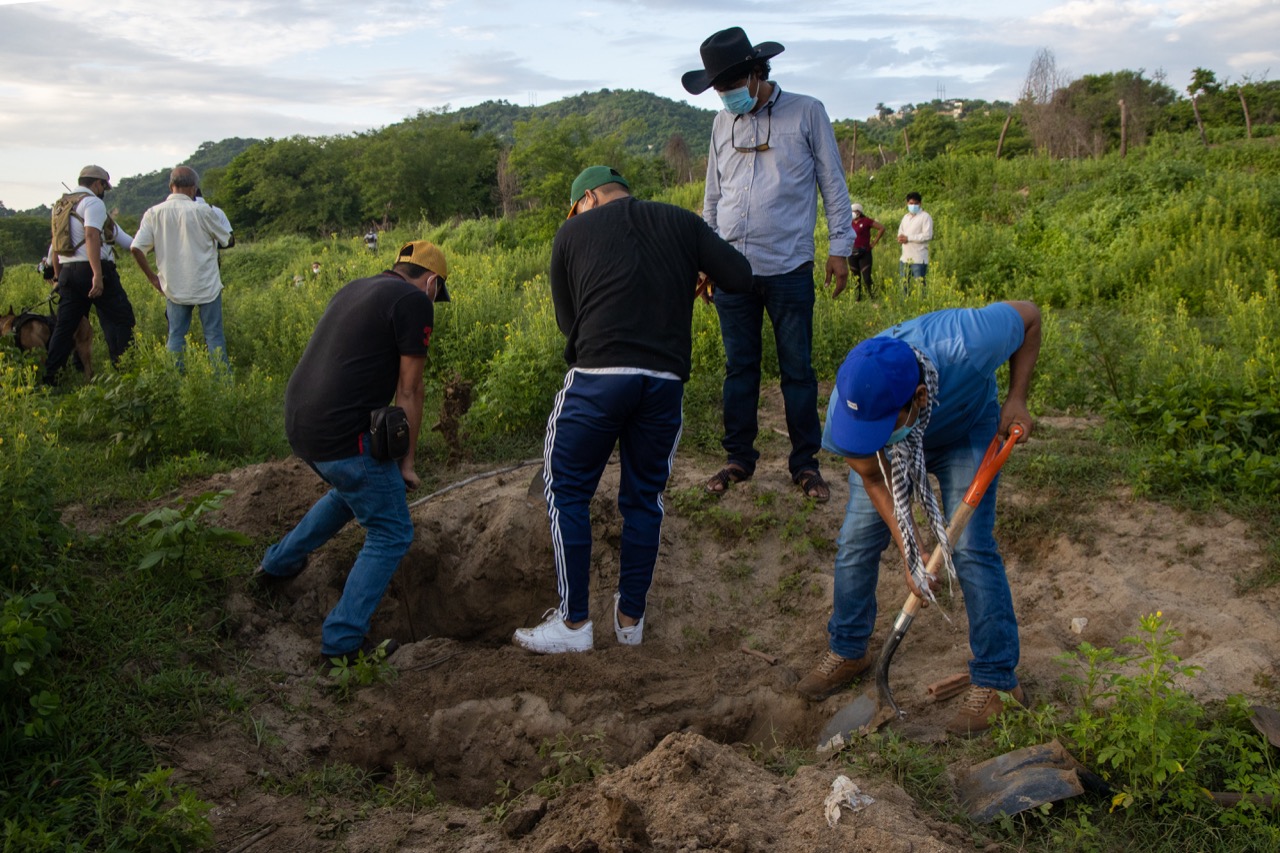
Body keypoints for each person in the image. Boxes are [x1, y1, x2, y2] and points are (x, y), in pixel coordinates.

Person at [512, 166, 752, 654]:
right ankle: (629, 622)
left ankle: (574, 624)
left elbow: (567, 322)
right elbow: (741, 276)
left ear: (590, 199)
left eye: (576, 206)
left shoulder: (572, 232)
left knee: (566, 490)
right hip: (663, 383)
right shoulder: (683, 222)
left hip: (598, 378)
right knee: (644, 499)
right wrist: (691, 276)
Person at [796, 301, 1041, 737]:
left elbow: (1031, 315)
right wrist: (911, 551)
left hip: (964, 429)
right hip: (893, 451)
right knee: (855, 541)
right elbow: (874, 476)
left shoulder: (968, 342)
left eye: (880, 425)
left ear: (919, 400)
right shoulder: (848, 412)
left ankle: (998, 682)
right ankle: (849, 649)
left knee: (970, 549)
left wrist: (1016, 397)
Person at [255, 241, 452, 663]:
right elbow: (410, 389)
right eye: (438, 291)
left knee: (349, 491)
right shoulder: (414, 301)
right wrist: (407, 462)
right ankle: (342, 644)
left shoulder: (356, 288)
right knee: (392, 531)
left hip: (301, 426)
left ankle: (276, 565)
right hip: (343, 436)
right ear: (431, 282)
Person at [682, 27, 853, 504]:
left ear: (758, 74)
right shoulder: (721, 125)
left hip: (789, 267)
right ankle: (739, 458)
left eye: (732, 88)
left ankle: (805, 464)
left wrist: (840, 248)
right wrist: (706, 259)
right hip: (733, 270)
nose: (726, 98)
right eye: (719, 91)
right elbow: (713, 198)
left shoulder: (807, 113)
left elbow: (833, 185)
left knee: (798, 369)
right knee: (740, 369)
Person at [130, 166, 235, 366]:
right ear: (194, 189)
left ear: (171, 186)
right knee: (213, 335)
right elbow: (227, 241)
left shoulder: (154, 213)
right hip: (207, 285)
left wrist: (153, 278)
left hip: (173, 285)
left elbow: (136, 248)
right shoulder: (203, 211)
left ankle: (173, 382)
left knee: (176, 335)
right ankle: (222, 383)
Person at [43, 165, 136, 385]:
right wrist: (97, 274)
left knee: (64, 328)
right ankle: (125, 370)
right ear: (97, 183)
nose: (104, 191)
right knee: (122, 318)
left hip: (68, 273)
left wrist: (57, 277)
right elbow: (92, 236)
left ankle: (50, 378)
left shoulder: (60, 205)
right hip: (92, 270)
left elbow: (56, 245)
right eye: (104, 186)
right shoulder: (93, 202)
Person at [897, 191, 933, 289]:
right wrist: (900, 238)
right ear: (907, 204)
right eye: (911, 203)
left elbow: (928, 235)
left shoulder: (925, 217)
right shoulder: (905, 217)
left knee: (920, 287)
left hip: (919, 258)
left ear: (920, 204)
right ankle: (904, 304)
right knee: (904, 286)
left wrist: (908, 238)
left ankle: (922, 304)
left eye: (916, 203)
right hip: (905, 258)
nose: (913, 206)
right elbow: (901, 232)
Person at [849, 203, 886, 300]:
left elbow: (881, 228)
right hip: (851, 252)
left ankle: (873, 297)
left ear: (859, 212)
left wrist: (873, 243)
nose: (852, 213)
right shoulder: (849, 222)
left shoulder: (866, 221)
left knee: (866, 278)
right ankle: (857, 299)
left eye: (855, 211)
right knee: (855, 278)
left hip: (864, 252)